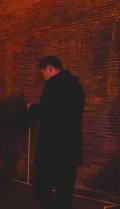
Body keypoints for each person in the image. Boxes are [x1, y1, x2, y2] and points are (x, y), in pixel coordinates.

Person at [28, 56, 85, 209]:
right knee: (64, 195)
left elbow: (47, 111)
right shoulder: (75, 85)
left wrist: (32, 108)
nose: (44, 77)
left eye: (43, 73)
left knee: (40, 190)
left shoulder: (53, 85)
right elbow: (64, 112)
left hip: (52, 151)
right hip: (71, 149)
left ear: (50, 68)